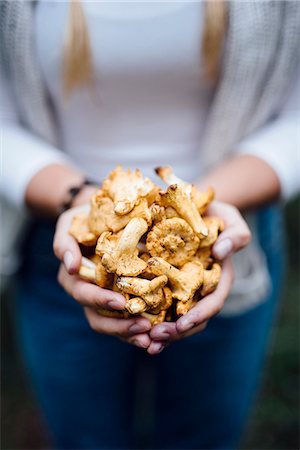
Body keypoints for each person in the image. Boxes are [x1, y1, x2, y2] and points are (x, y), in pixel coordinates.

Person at [1, 1, 299, 449]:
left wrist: (205, 208)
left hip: (229, 237)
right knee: (85, 440)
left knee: (202, 440)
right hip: (62, 243)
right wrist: (80, 199)